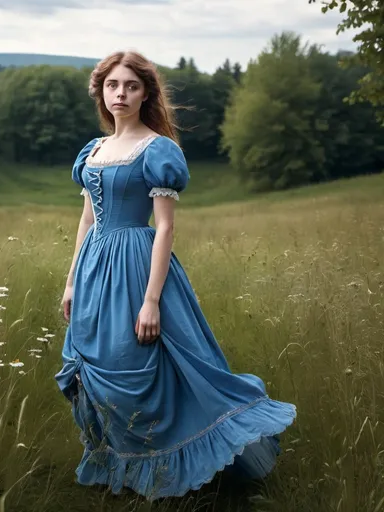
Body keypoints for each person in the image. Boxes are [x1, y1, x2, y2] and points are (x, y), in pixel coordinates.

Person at [55, 50, 296, 501]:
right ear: (101, 91)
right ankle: (127, 470)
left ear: (146, 93)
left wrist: (150, 299)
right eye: (112, 85)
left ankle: (178, 480)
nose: (120, 94)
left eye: (130, 86)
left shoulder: (158, 149)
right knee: (99, 367)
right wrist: (71, 281)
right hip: (94, 270)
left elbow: (164, 225)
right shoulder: (94, 151)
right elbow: (87, 221)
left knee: (143, 365)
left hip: (137, 267)